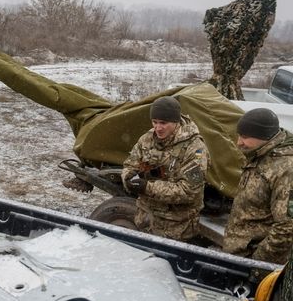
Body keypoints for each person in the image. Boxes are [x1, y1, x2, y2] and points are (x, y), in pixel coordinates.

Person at [121, 96, 209, 241]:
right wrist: (128, 177)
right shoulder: (147, 139)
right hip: (145, 220)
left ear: (176, 122)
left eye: (163, 123)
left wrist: (146, 187)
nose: (158, 128)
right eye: (154, 122)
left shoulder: (196, 149)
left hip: (176, 228)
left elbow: (189, 191)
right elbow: (130, 164)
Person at [223, 108, 293, 264]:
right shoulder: (260, 154)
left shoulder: (286, 169)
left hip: (254, 262)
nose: (239, 142)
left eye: (245, 137)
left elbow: (286, 228)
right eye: (239, 135)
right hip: (239, 254)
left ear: (265, 136)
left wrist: (257, 263)